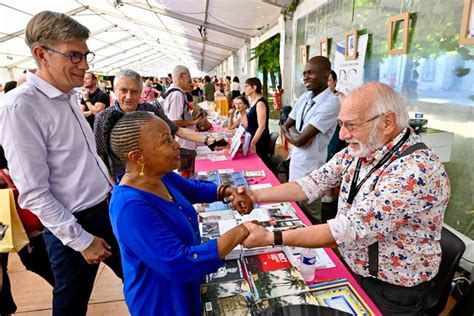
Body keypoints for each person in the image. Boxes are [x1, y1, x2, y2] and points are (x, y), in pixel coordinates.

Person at [238, 82, 451, 315]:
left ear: (387, 122)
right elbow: (313, 183)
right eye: (341, 124)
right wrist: (255, 194)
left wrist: (270, 237)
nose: (342, 134)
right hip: (355, 269)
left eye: (351, 125)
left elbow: (346, 230)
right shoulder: (364, 147)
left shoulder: (415, 171)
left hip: (394, 291)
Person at [0, 11, 124, 315]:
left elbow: (84, 157)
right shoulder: (20, 107)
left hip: (106, 208)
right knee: (70, 305)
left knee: (143, 276)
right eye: (74, 55)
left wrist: (113, 188)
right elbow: (34, 192)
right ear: (41, 54)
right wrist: (81, 240)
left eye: (85, 55)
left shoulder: (66, 93)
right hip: (72, 223)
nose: (84, 64)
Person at [103, 111, 252, 315]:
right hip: (162, 303)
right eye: (166, 141)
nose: (176, 145)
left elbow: (192, 188)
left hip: (187, 290)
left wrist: (227, 191)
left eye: (172, 137)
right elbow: (178, 264)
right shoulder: (130, 207)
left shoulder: (160, 176)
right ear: (137, 157)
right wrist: (241, 231)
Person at [94, 69, 218, 180]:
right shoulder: (103, 118)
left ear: (141, 92)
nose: (129, 96)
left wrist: (209, 140)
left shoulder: (149, 110)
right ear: (115, 91)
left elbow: (177, 130)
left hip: (155, 175)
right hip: (123, 180)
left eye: (134, 91)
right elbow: (100, 156)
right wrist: (111, 185)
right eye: (123, 91)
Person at [281, 56, 340, 224]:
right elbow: (287, 126)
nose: (305, 77)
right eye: (304, 73)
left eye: (311, 73)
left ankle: (318, 251)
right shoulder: (304, 97)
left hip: (312, 172)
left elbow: (299, 139)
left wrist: (296, 136)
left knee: (311, 219)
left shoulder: (332, 103)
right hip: (295, 165)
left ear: (326, 74)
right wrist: (297, 136)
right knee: (295, 215)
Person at [163, 65, 205, 178]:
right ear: (182, 76)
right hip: (184, 143)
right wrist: (194, 122)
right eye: (189, 78)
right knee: (186, 177)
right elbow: (175, 121)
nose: (190, 82)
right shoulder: (177, 94)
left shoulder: (172, 92)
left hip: (183, 143)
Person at [244, 77, 271, 162]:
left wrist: (253, 143)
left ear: (254, 87)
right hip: (252, 138)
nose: (244, 88)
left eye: (246, 86)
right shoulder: (253, 101)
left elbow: (261, 126)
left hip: (259, 141)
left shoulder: (260, 103)